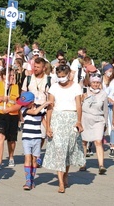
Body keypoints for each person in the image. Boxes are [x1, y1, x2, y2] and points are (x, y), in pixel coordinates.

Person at [43, 65, 85, 193]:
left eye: (63, 76)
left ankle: (65, 174)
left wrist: (79, 121)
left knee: (68, 150)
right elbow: (50, 106)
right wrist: (48, 126)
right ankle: (60, 182)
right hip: (57, 118)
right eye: (59, 77)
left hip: (71, 118)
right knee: (60, 149)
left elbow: (78, 105)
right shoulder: (54, 87)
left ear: (68, 75)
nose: (61, 79)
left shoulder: (76, 87)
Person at [21, 57, 55, 167]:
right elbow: (23, 94)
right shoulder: (29, 79)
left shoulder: (49, 80)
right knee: (32, 133)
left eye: (37, 67)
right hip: (31, 109)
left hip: (44, 110)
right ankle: (33, 157)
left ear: (44, 68)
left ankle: (36, 154)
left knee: (42, 135)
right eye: (34, 66)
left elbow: (52, 96)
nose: (35, 69)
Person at [18, 91, 50, 190]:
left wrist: (48, 129)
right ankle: (28, 181)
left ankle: (32, 180)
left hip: (37, 137)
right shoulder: (24, 109)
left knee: (34, 159)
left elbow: (42, 120)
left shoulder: (39, 109)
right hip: (27, 137)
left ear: (32, 102)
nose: (23, 105)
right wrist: (44, 104)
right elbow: (34, 112)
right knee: (27, 158)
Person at [0, 68, 21, 169]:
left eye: (13, 75)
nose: (12, 77)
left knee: (11, 139)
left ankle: (11, 156)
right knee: (0, 136)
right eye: (11, 75)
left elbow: (19, 103)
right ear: (4, 76)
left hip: (12, 115)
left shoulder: (16, 87)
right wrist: (0, 98)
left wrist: (11, 111)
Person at [81, 74, 109, 175]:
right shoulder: (84, 91)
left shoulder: (103, 94)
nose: (96, 84)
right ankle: (82, 163)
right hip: (85, 118)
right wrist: (82, 99)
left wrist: (106, 123)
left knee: (98, 141)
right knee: (84, 142)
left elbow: (105, 110)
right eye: (94, 82)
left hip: (98, 119)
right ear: (90, 82)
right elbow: (78, 106)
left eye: (97, 82)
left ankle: (101, 165)